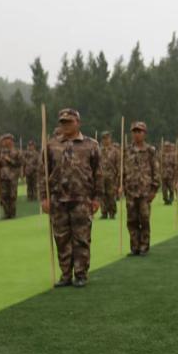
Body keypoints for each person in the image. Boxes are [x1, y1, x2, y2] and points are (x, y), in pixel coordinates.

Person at [40, 108, 101, 288]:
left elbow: (98, 173)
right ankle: (66, 274)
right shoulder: (51, 145)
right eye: (63, 122)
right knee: (61, 238)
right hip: (58, 200)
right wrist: (44, 198)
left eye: (69, 122)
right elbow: (43, 173)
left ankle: (81, 274)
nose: (65, 125)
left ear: (78, 123)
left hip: (82, 199)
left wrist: (97, 197)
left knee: (81, 238)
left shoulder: (91, 145)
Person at [122, 121, 159, 255]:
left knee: (144, 219)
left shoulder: (150, 151)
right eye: (135, 132)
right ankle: (134, 246)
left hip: (145, 192)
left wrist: (154, 189)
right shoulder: (127, 150)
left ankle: (144, 245)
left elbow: (156, 170)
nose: (137, 134)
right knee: (131, 220)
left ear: (144, 133)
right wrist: (121, 185)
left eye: (139, 131)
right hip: (130, 191)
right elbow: (122, 169)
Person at [0, 133, 23, 218]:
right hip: (3, 176)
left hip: (12, 176)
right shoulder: (1, 152)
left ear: (10, 141)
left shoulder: (17, 152)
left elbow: (20, 163)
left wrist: (9, 160)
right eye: (3, 140)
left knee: (12, 196)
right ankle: (6, 213)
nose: (4, 142)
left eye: (6, 140)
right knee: (4, 196)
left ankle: (12, 213)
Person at [98, 131, 121, 219]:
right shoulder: (99, 151)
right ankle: (104, 212)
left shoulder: (115, 151)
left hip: (111, 177)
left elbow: (118, 164)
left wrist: (118, 176)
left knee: (111, 195)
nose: (106, 140)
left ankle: (112, 212)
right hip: (101, 176)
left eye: (107, 138)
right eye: (104, 138)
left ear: (110, 139)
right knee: (102, 195)